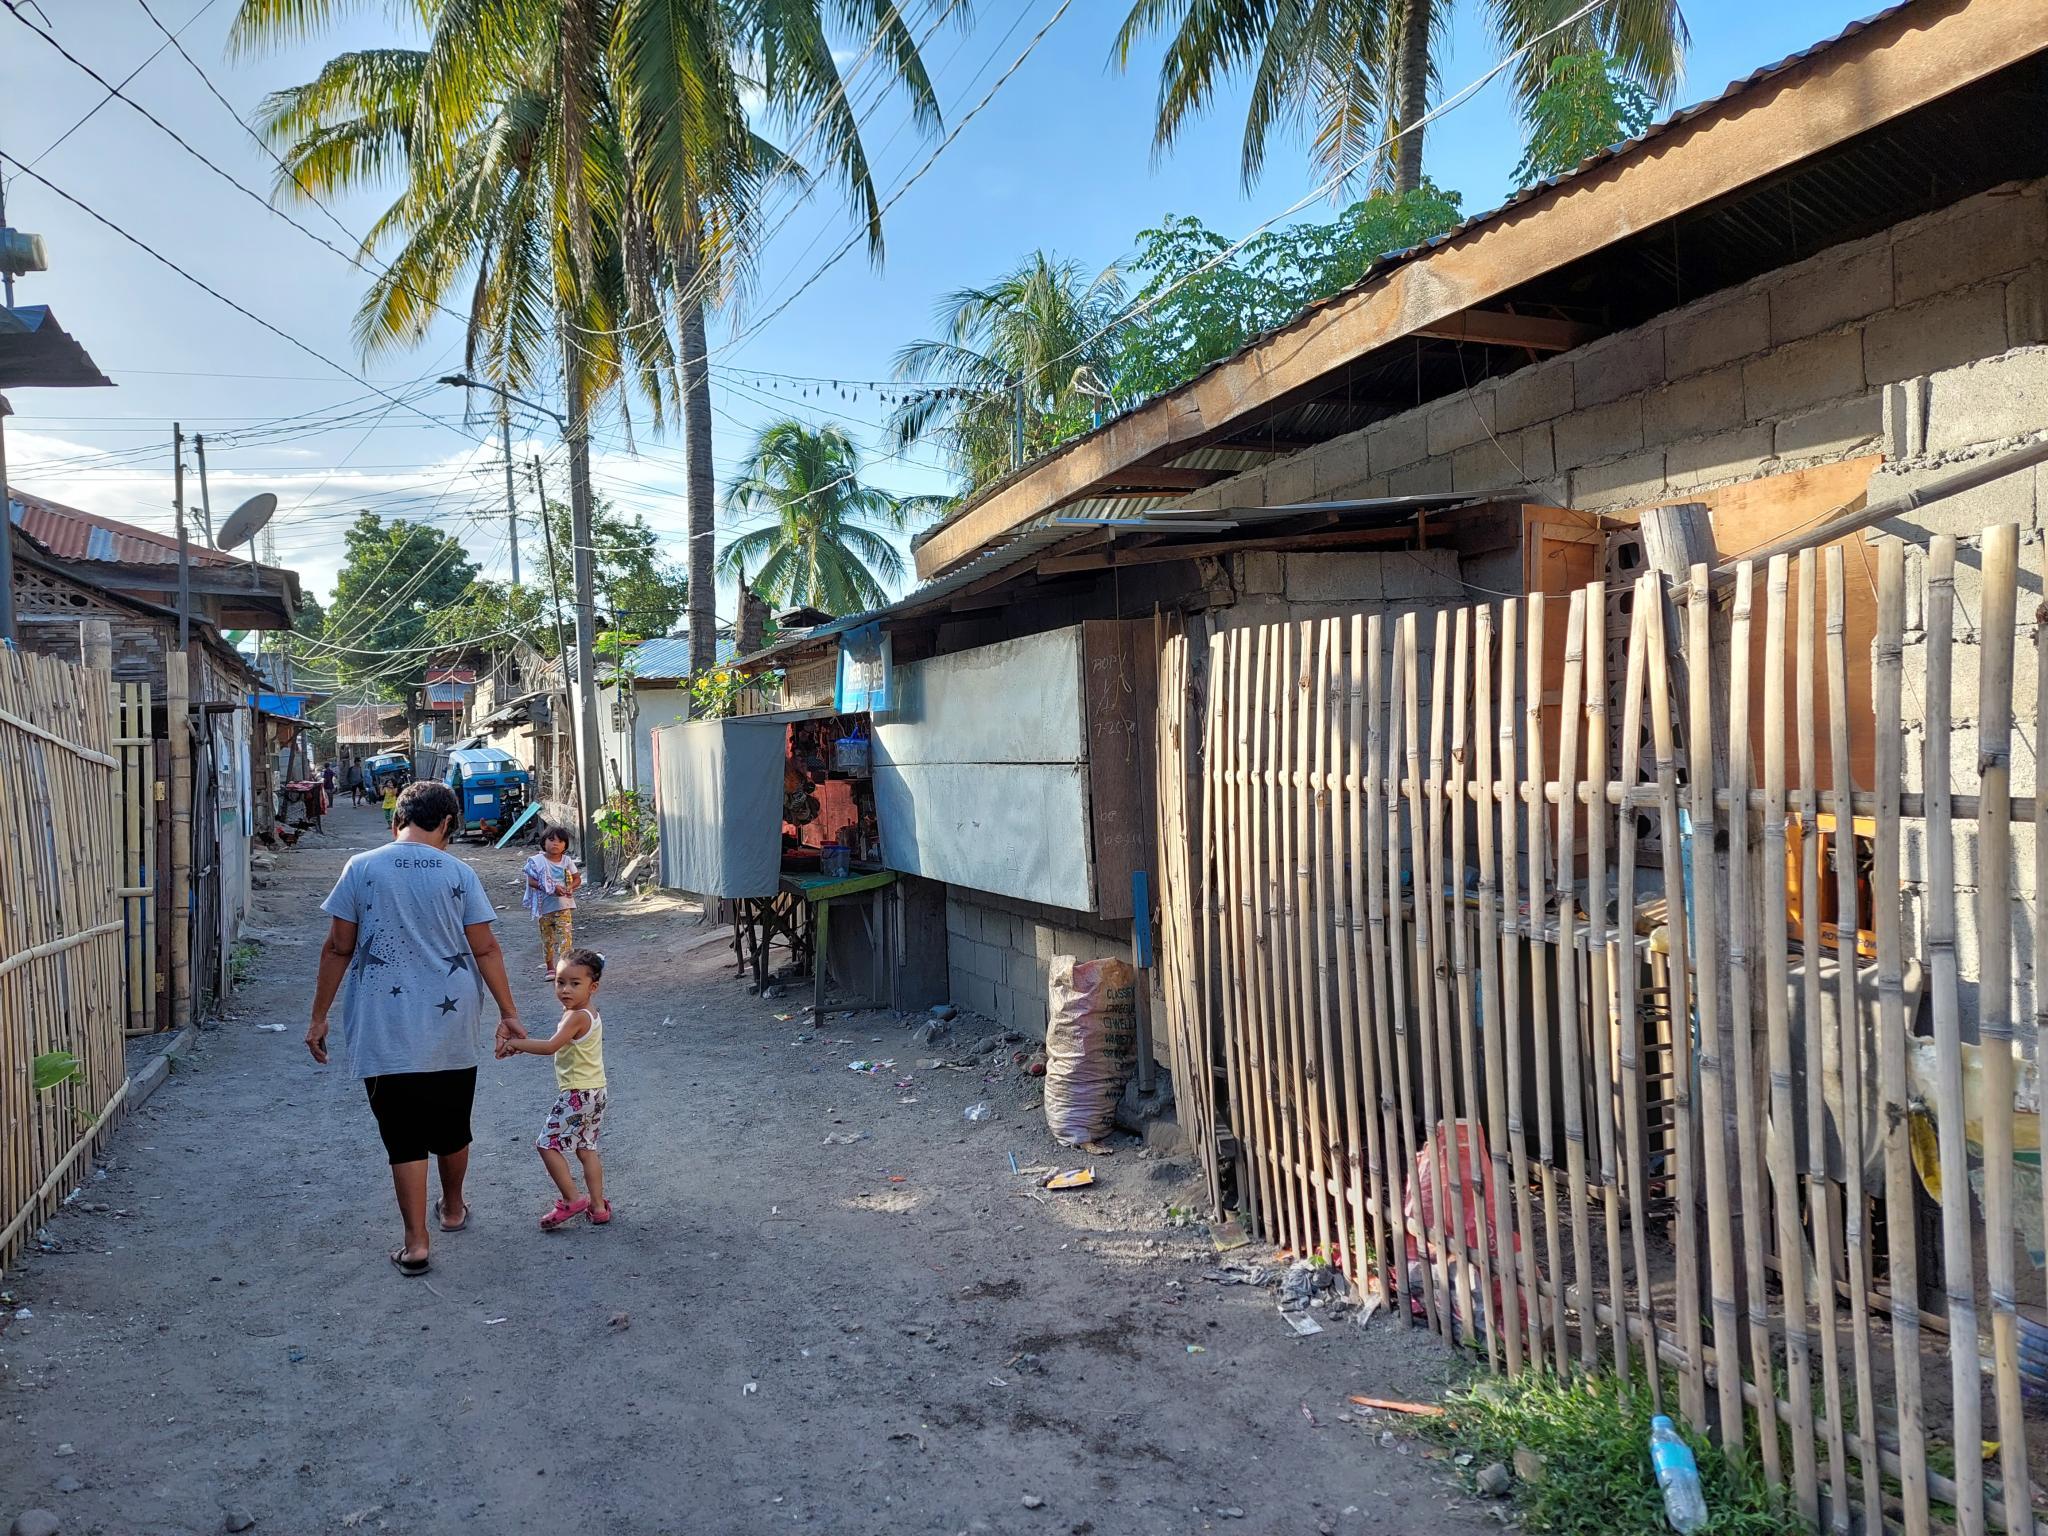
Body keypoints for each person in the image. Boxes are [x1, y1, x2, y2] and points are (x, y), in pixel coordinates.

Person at [306, 780, 523, 1275]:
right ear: (447, 823)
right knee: (451, 1121)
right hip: (452, 1016)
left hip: (383, 1021)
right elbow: (485, 948)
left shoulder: (361, 868)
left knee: (402, 1135)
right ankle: (451, 1208)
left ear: (396, 819)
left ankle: (416, 1242)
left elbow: (338, 947)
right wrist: (509, 1013)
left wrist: (318, 1017)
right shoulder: (460, 872)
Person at [498, 947, 610, 1229]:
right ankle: (598, 1207)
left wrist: (515, 1043)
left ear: (592, 987)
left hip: (577, 1094)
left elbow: (550, 1047)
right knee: (586, 1147)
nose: (565, 990)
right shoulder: (587, 1012)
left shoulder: (576, 1016)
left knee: (547, 1144)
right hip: (596, 1090)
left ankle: (573, 1199)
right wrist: (520, 1046)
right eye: (560, 982)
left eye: (575, 983)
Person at [522, 827, 580, 977]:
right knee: (548, 939)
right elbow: (531, 882)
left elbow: (577, 879)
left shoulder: (567, 861)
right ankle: (550, 968)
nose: (556, 844)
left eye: (560, 841)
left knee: (565, 938)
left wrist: (570, 888)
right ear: (544, 841)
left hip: (563, 906)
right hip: (544, 908)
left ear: (565, 845)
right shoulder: (537, 861)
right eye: (552, 840)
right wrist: (551, 888)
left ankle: (565, 967)